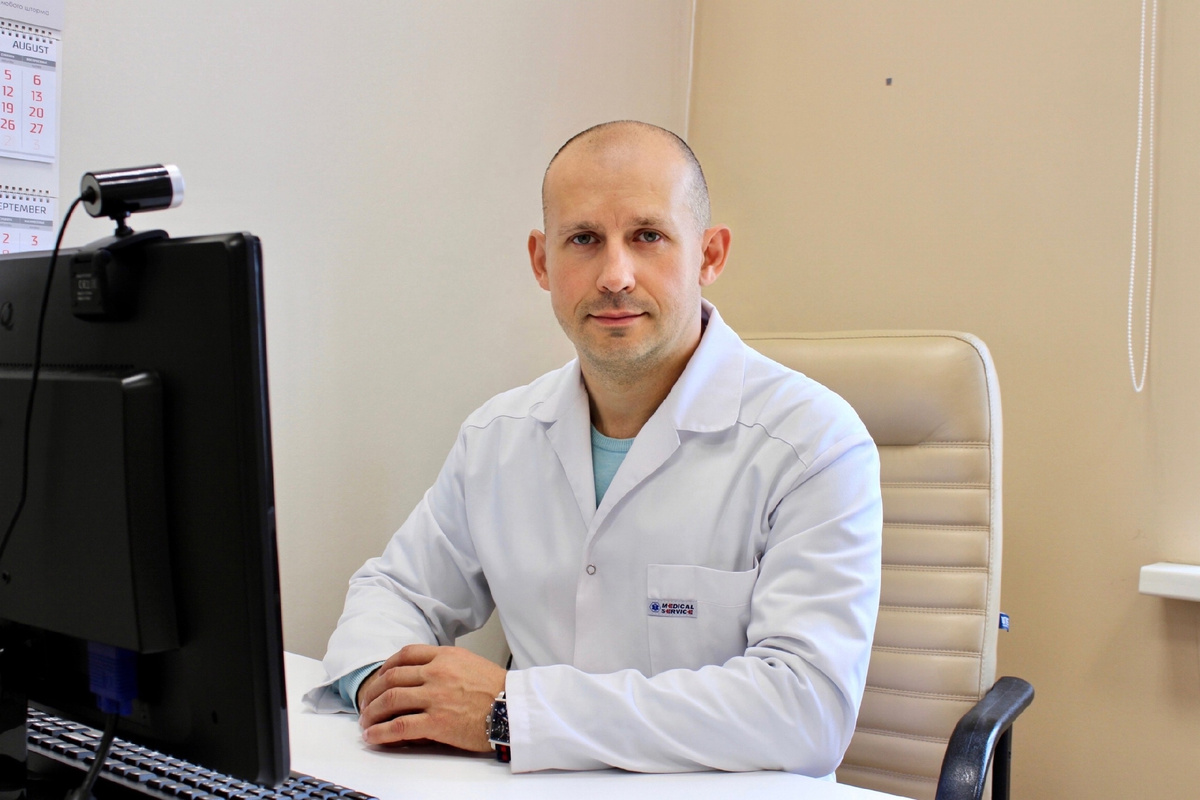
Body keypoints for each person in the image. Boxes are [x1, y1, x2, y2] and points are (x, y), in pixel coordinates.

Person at [305, 121, 882, 778]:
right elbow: (395, 591)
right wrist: (386, 688)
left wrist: (512, 714)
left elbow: (806, 710)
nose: (615, 276)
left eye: (648, 236)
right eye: (583, 239)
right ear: (541, 262)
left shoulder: (813, 444)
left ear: (709, 255)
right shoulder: (499, 436)